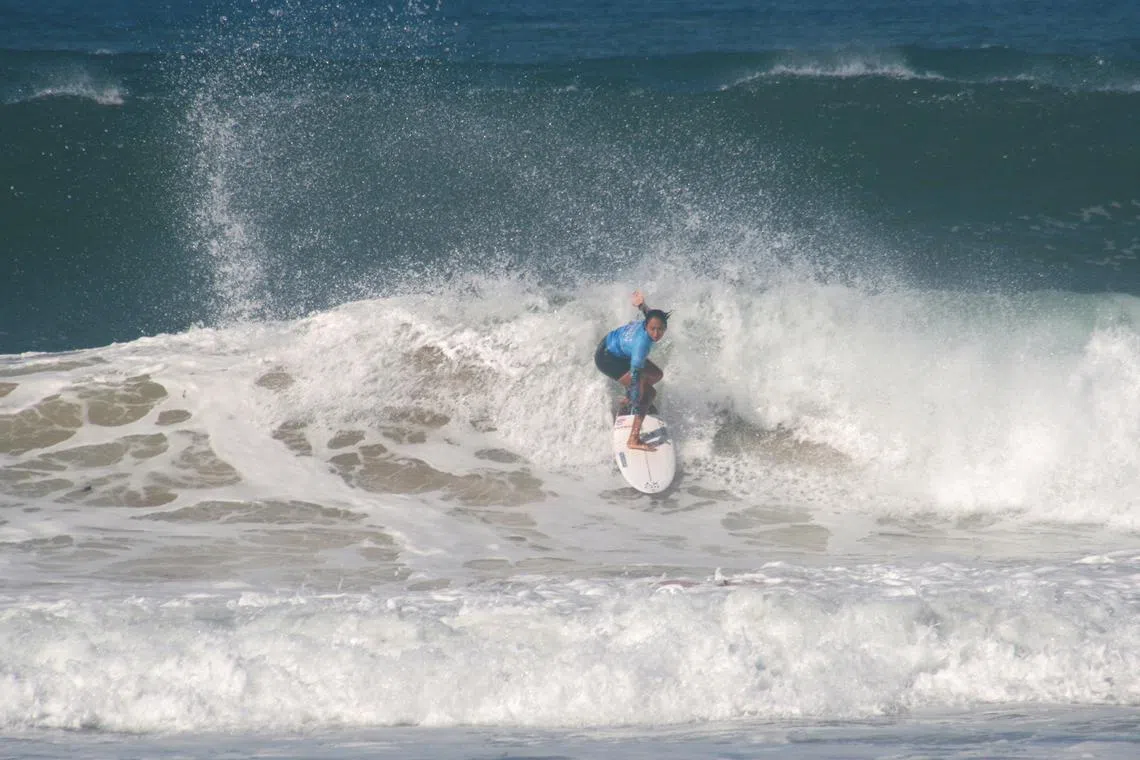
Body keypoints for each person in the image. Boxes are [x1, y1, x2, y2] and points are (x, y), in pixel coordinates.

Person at [594, 290, 669, 451]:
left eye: (660, 329)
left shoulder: (650, 320)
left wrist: (642, 305)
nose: (656, 334)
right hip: (607, 357)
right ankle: (633, 439)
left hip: (617, 346)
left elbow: (650, 314)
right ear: (646, 326)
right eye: (652, 329)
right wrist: (637, 398)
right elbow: (635, 376)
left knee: (656, 374)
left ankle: (629, 401)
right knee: (648, 393)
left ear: (665, 327)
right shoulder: (641, 346)